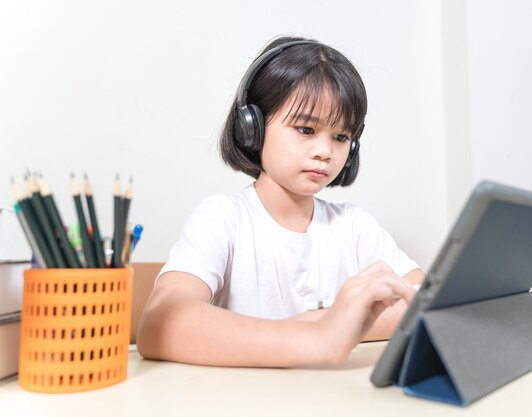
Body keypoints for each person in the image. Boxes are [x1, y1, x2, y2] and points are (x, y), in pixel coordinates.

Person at [137, 35, 425, 367]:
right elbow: (160, 325)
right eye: (305, 129)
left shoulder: (354, 226)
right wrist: (319, 336)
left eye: (341, 137)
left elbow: (427, 304)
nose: (325, 151)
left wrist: (329, 325)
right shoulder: (222, 218)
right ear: (253, 127)